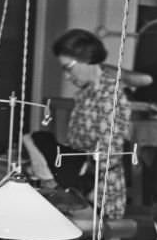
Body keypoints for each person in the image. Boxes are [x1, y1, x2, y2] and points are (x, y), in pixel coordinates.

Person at [25, 28, 132, 219]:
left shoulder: (109, 95)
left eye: (68, 67)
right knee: (35, 139)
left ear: (87, 59)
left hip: (97, 190)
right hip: (79, 174)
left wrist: (79, 188)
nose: (67, 76)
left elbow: (110, 157)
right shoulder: (85, 93)